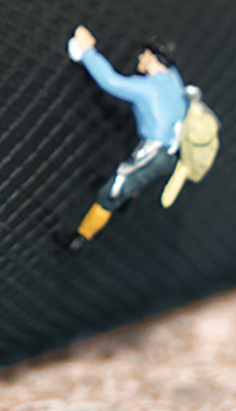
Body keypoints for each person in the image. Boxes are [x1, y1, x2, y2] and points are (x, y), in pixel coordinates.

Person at [66, 25, 188, 249]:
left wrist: (87, 52)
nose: (140, 57)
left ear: (153, 59)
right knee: (137, 176)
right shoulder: (173, 78)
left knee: (113, 189)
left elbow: (111, 82)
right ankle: (126, 197)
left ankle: (80, 238)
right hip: (169, 151)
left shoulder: (148, 88)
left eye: (145, 54)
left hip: (154, 151)